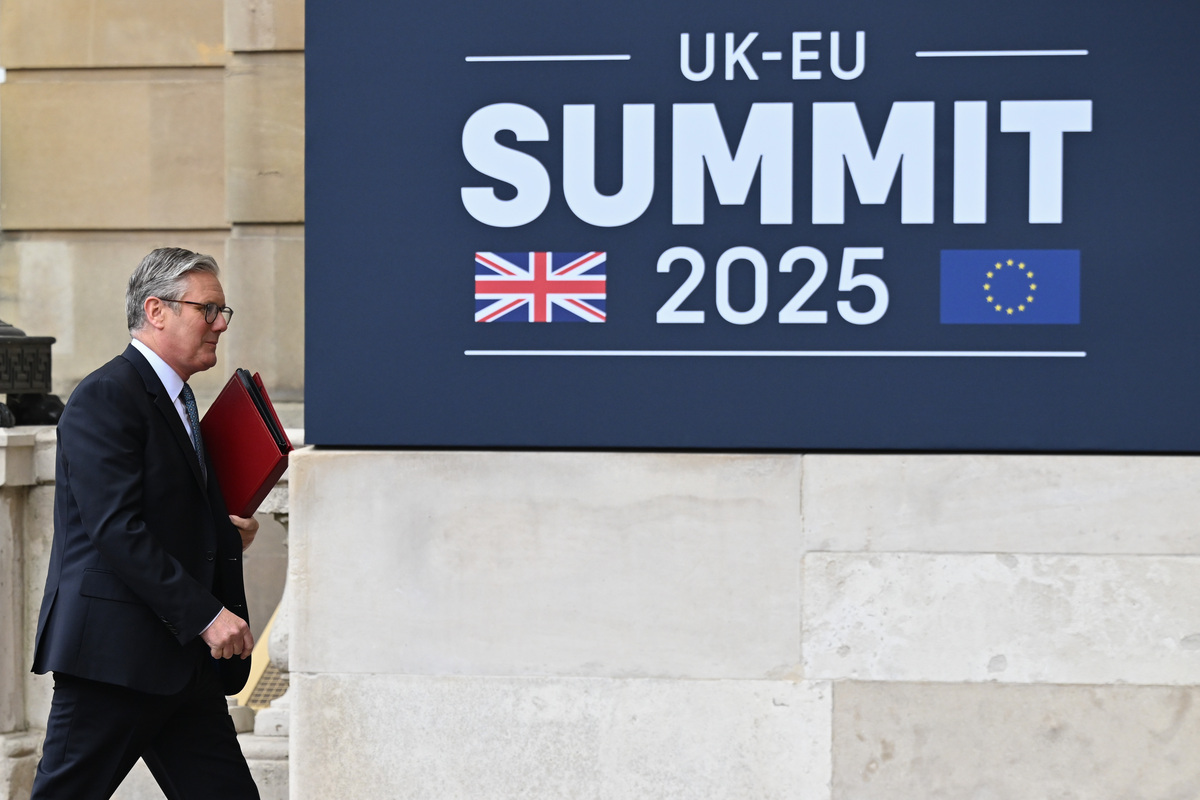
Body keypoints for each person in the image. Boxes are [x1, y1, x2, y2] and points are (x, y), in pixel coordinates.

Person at [29, 247, 261, 799]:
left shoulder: (178, 398)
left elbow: (165, 514)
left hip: (183, 665)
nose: (220, 324)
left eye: (223, 312)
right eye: (208, 310)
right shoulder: (105, 395)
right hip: (114, 662)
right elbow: (116, 530)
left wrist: (225, 532)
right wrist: (208, 615)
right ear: (156, 310)